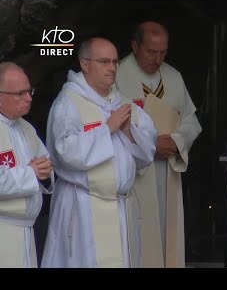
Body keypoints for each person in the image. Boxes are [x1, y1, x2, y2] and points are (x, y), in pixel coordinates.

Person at [41, 37, 157, 268]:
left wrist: (127, 131)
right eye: (104, 61)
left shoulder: (122, 101)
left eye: (115, 62)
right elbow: (64, 152)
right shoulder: (68, 102)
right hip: (84, 206)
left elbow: (148, 152)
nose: (112, 68)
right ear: (84, 64)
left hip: (121, 207)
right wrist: (107, 129)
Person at [116, 21, 202, 268]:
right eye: (151, 52)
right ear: (135, 46)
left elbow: (191, 121)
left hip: (168, 173)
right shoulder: (118, 76)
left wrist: (176, 141)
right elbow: (110, 125)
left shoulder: (173, 76)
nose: (157, 58)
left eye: (163, 52)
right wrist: (150, 145)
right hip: (137, 172)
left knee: (168, 237)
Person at [0, 62, 54, 268]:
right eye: (20, 93)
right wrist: (31, 173)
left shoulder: (27, 127)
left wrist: (45, 172)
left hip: (26, 231)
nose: (29, 98)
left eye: (29, 91)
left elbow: (46, 166)